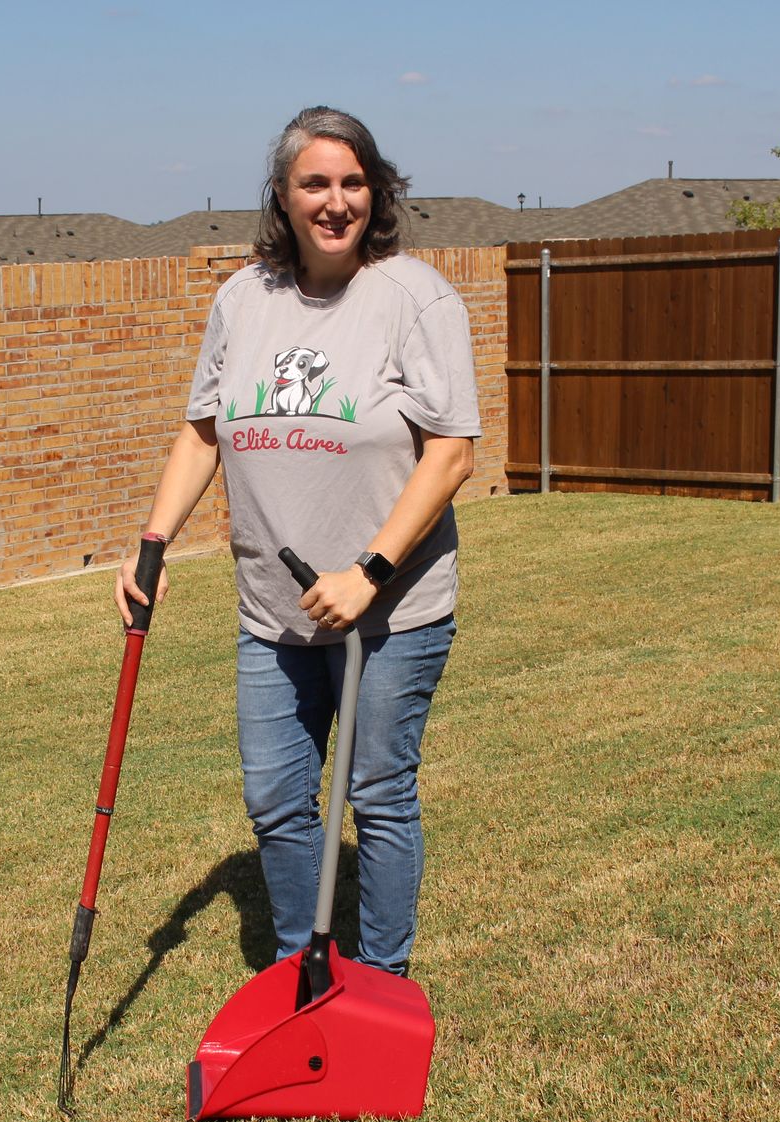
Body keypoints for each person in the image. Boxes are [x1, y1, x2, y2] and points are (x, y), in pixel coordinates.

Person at [115, 105, 480, 977]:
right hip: (271, 612)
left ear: (377, 190)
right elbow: (203, 431)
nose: (336, 201)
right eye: (315, 182)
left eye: (353, 182)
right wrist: (152, 542)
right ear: (283, 195)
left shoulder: (415, 298)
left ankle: (382, 987)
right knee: (278, 802)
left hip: (389, 614)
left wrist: (369, 572)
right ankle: (297, 974)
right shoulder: (244, 301)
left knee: (378, 797)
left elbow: (453, 453)